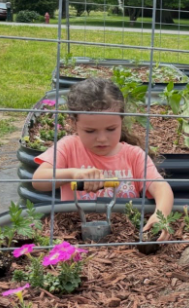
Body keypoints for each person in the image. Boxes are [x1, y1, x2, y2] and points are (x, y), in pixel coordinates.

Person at [32, 78, 174, 240]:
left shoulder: (134, 155)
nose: (102, 139)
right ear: (74, 125)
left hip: (124, 236)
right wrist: (73, 174)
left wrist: (160, 216)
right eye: (90, 131)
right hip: (74, 234)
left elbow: (162, 188)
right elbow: (38, 180)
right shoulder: (68, 146)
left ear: (121, 120)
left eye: (111, 129)